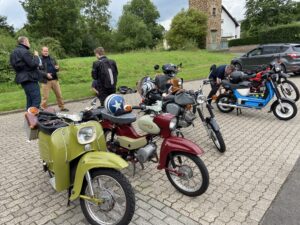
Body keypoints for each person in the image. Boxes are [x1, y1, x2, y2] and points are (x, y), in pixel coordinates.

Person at [10, 36, 51, 109]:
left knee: (30, 100)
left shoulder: (13, 52)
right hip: (30, 78)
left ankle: (28, 119)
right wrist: (36, 56)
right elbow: (33, 65)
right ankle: (33, 119)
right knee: (36, 100)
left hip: (22, 79)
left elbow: (16, 65)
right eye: (28, 42)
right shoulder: (25, 52)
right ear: (25, 42)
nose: (29, 44)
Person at [40, 47, 69, 111]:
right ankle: (43, 110)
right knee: (45, 97)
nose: (46, 52)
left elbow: (57, 68)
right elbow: (38, 70)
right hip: (46, 81)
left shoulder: (52, 58)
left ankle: (62, 107)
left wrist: (57, 68)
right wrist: (46, 74)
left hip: (55, 80)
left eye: (47, 51)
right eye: (44, 51)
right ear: (42, 51)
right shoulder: (40, 60)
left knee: (59, 94)